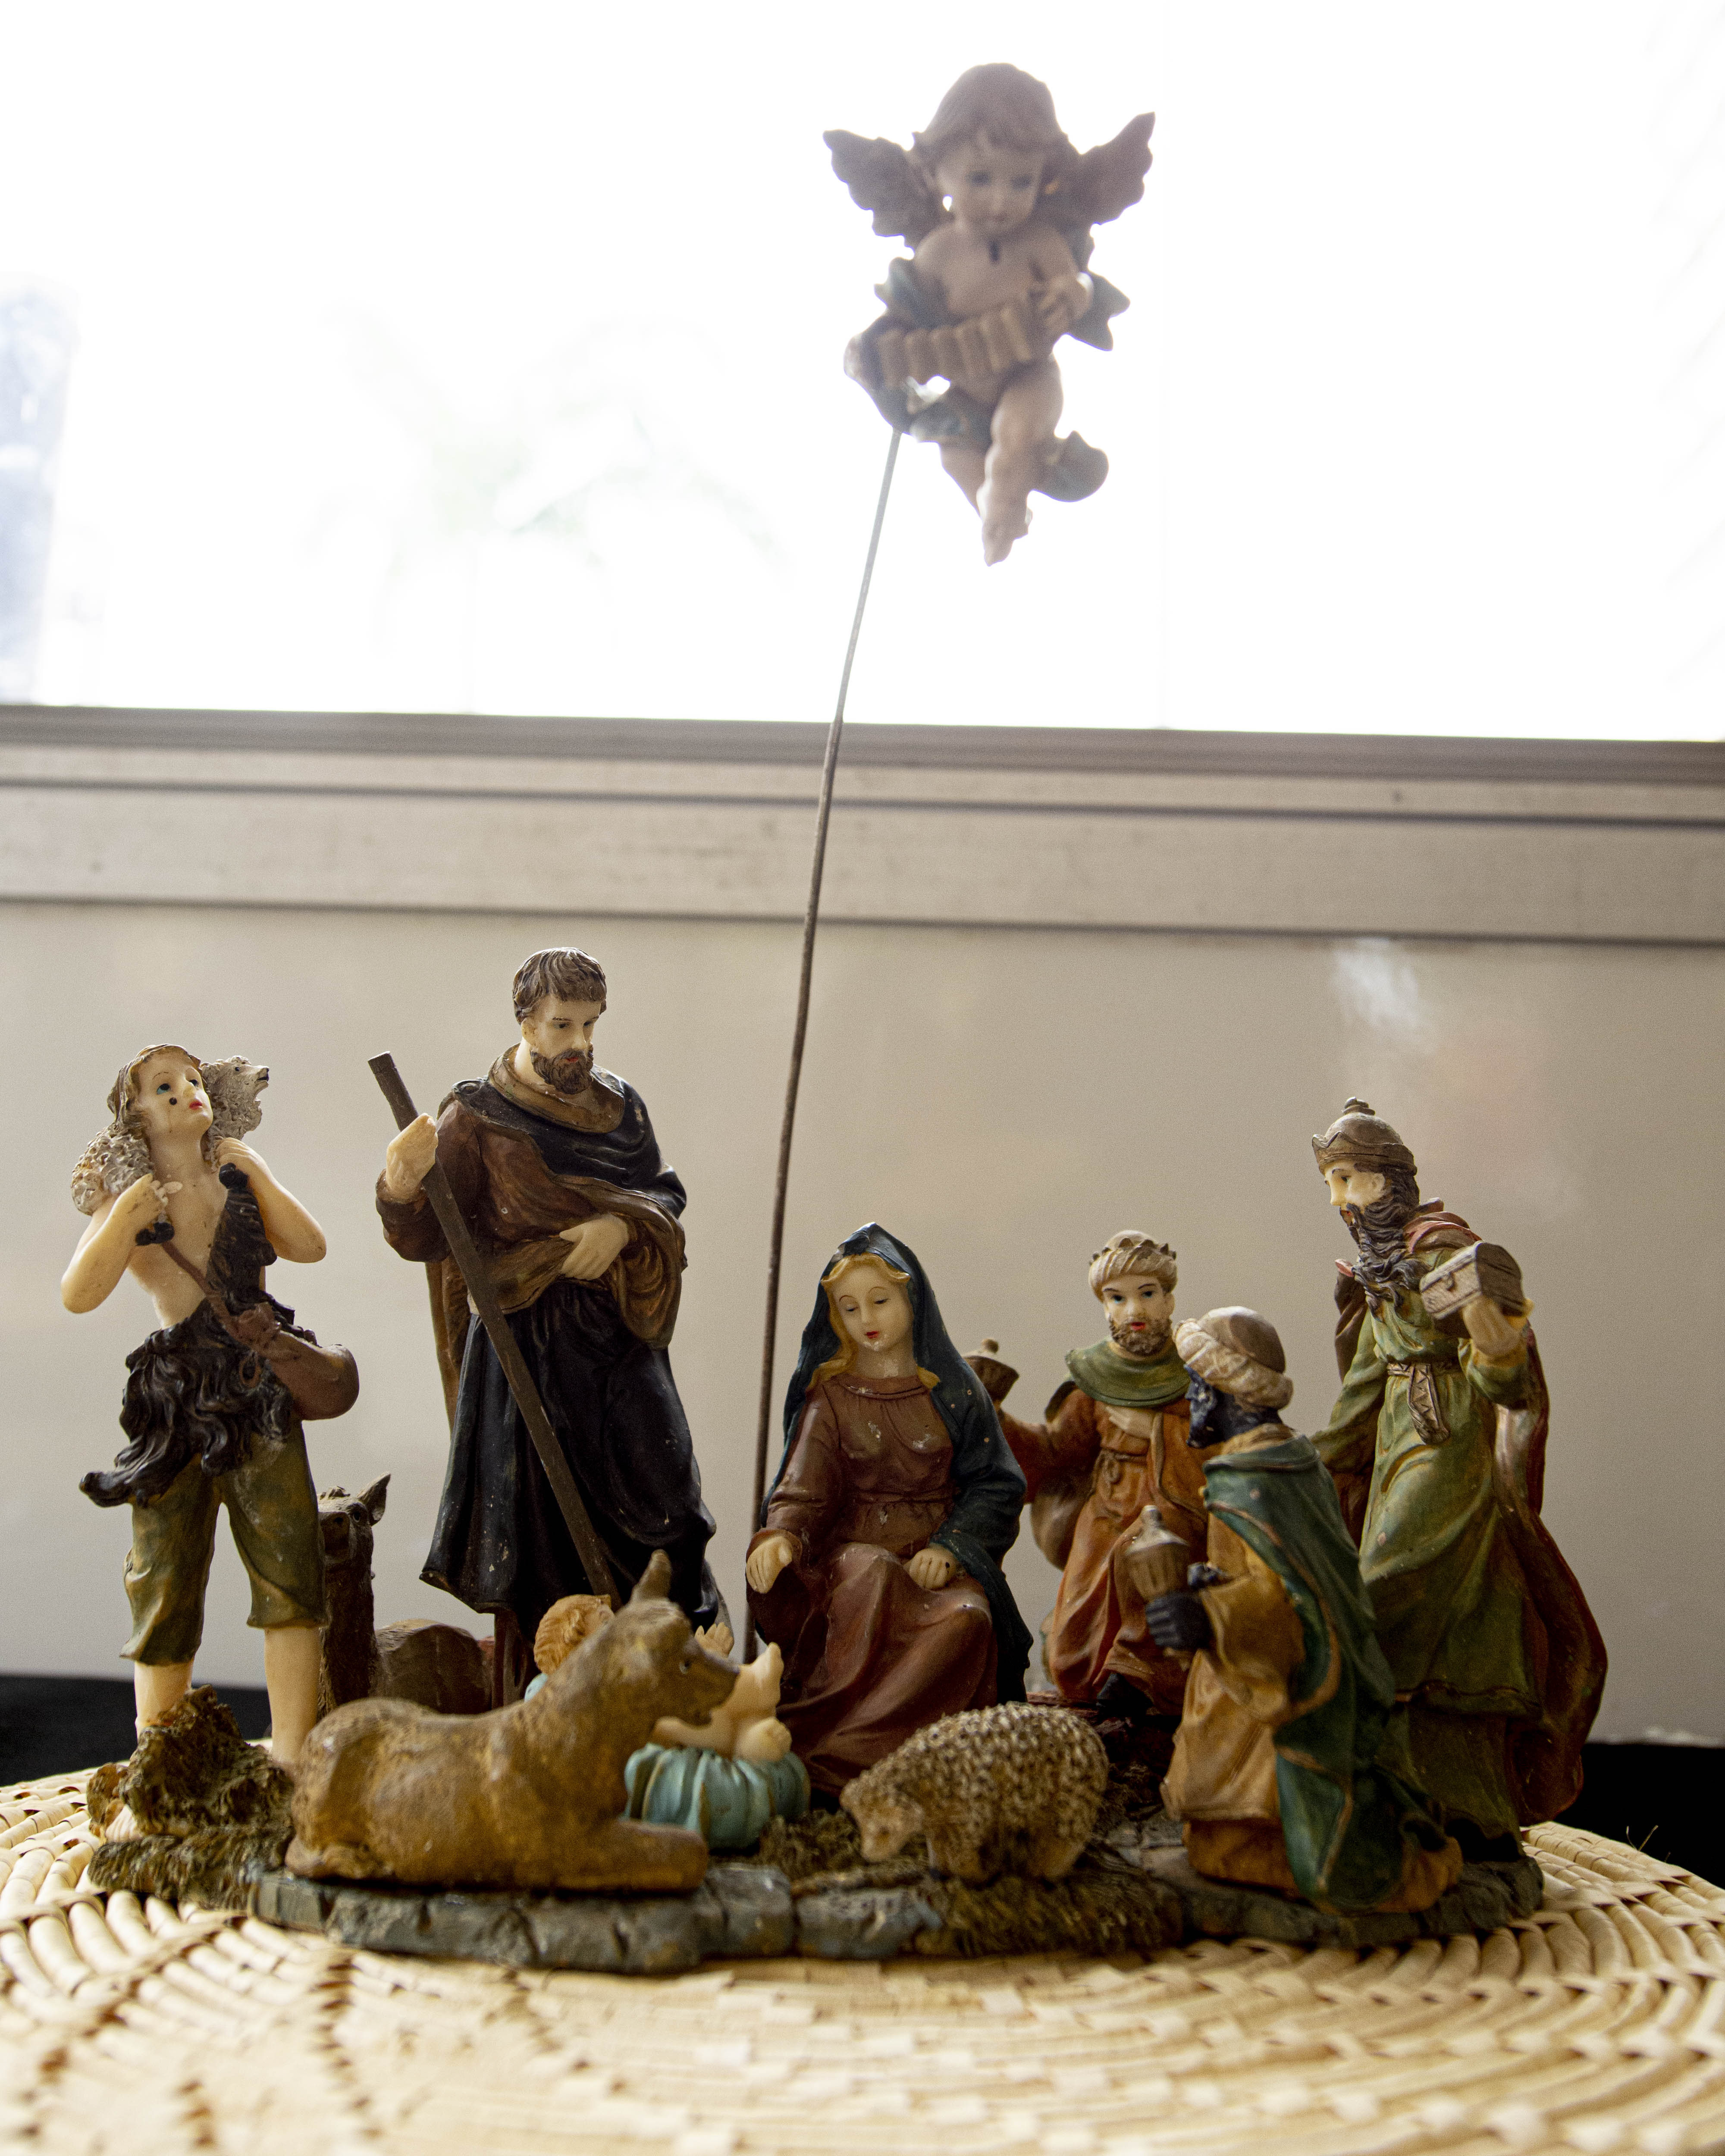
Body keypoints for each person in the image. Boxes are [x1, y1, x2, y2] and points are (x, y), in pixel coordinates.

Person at [377, 948, 721, 1687]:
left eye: (591, 1025)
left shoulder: (621, 1107)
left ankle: (667, 1683)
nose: (579, 1044)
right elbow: (429, 1235)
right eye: (563, 1025)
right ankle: (552, 1700)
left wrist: (620, 1228)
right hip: (525, 1351)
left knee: (668, 1503)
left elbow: (663, 1192)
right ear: (526, 1022)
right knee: (543, 1536)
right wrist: (402, 1182)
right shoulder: (477, 1117)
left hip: (617, 1337)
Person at [1306, 1100, 1606, 1854]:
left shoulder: (1444, 1253)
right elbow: (1367, 1379)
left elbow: (1505, 1384)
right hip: (1395, 1448)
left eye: (1350, 1180)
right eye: (1332, 1183)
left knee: (1385, 1594)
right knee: (1437, 1630)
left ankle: (1386, 1779)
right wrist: (1314, 1458)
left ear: (1392, 1181)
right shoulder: (1380, 1266)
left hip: (1451, 1448)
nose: (1340, 1200)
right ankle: (1443, 1797)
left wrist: (1495, 1341)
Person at [64, 1047, 350, 1763]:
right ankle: (159, 1757)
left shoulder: (237, 1175)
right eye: (164, 1087)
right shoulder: (129, 1194)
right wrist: (122, 1220)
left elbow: (310, 1246)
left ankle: (292, 1753)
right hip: (175, 1397)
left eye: (192, 1080)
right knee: (163, 1575)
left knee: (290, 1568)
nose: (186, 1092)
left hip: (257, 1387)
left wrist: (262, 1176)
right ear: (135, 1113)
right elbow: (78, 1294)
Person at [1150, 1307, 1463, 1913]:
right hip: (1245, 1667)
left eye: (1196, 1384)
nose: (1190, 1399)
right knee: (1216, 1837)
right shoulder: (1287, 1457)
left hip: (1283, 1678)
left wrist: (1208, 1615)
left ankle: (1370, 1857)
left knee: (1299, 1856)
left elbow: (1288, 1596)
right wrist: (1212, 1586)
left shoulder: (1256, 1478)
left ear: (1223, 1389)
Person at [828, 64, 1154, 562]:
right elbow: (903, 319)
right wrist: (879, 354)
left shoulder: (1040, 242)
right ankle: (997, 512)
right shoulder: (937, 254)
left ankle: (1008, 493)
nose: (1000, 201)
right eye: (980, 179)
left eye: (1021, 182)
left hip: (1029, 379)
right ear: (936, 172)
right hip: (962, 399)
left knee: (1014, 438)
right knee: (955, 455)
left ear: (1045, 177)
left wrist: (1072, 296)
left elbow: (1075, 285)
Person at [746, 1224, 1031, 1792]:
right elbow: (804, 1486)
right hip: (853, 1555)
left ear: (912, 1299)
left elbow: (996, 1483)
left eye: (880, 1301)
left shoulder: (954, 1392)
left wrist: (952, 1548)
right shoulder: (830, 1398)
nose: (866, 1318)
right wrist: (781, 1535)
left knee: (969, 1619)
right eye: (849, 1308)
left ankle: (912, 1755)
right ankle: (838, 1746)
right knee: (871, 1574)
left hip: (933, 1562)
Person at [997, 1232, 1204, 1718]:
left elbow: (1219, 1441)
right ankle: (1092, 1684)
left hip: (1172, 1506)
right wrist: (995, 1418)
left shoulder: (1195, 1370)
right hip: (1106, 1510)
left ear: (1169, 1299)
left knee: (1147, 1567)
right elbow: (1056, 1450)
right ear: (1105, 1307)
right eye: (1118, 1298)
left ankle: (1137, 1679)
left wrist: (1160, 1431)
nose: (1134, 1309)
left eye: (1147, 1293)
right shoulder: (1094, 1376)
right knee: (1073, 1634)